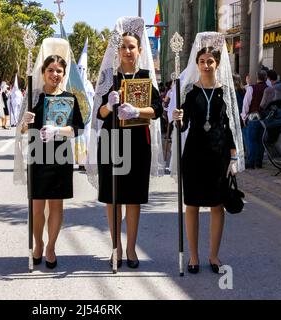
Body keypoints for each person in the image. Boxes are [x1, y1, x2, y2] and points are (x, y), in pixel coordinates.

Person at [87, 16, 164, 269]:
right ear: (117, 50)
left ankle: (131, 248)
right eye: (124, 47)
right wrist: (109, 106)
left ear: (140, 51)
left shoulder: (145, 77)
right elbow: (98, 113)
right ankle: (115, 247)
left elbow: (157, 110)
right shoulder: (109, 77)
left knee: (133, 198)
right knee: (113, 198)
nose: (128, 51)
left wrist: (137, 112)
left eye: (132, 47)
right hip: (111, 143)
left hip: (137, 144)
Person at [172, 32, 244, 274]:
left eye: (210, 61)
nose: (205, 65)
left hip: (218, 155)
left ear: (217, 63)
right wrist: (177, 119)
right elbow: (183, 126)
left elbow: (230, 125)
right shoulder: (190, 92)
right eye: (202, 61)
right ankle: (193, 257)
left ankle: (213, 255)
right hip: (194, 155)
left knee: (216, 206)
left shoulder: (225, 92)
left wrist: (233, 156)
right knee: (191, 206)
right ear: (197, 64)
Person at [15, 38, 84, 269]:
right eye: (51, 70)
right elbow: (23, 129)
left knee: (56, 205)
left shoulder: (70, 99)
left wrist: (58, 130)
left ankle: (51, 247)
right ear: (43, 72)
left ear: (64, 74)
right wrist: (24, 122)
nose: (55, 74)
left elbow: (78, 129)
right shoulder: (34, 98)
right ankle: (38, 244)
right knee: (36, 207)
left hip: (61, 156)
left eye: (59, 71)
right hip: (38, 155)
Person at [241, 70, 268, 169]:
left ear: (257, 78)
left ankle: (251, 162)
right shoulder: (269, 88)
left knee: (252, 140)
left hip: (253, 117)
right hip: (265, 118)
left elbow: (246, 104)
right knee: (261, 140)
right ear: (265, 78)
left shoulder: (251, 88)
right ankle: (259, 162)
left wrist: (244, 116)